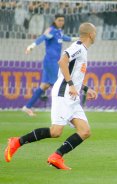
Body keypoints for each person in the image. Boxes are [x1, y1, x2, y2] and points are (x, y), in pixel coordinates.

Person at [5, 22, 97, 170]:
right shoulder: (78, 47)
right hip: (63, 94)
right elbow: (62, 62)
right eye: (95, 33)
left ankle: (56, 157)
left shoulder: (83, 50)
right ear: (91, 34)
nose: (96, 35)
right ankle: (16, 142)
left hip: (72, 97)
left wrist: (85, 88)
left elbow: (70, 72)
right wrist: (72, 85)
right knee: (55, 132)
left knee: (85, 131)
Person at [22, 13, 77, 116]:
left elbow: (67, 38)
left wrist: (79, 39)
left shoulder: (58, 32)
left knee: (44, 86)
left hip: (53, 61)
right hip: (51, 61)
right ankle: (63, 109)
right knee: (58, 84)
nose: (61, 22)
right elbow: (42, 38)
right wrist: (31, 46)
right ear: (55, 20)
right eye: (59, 20)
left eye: (62, 20)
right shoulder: (51, 30)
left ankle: (27, 107)